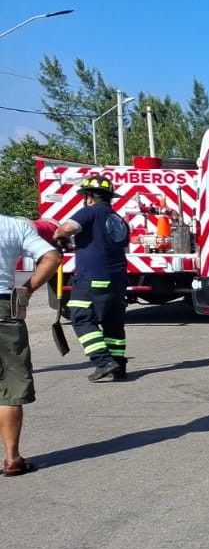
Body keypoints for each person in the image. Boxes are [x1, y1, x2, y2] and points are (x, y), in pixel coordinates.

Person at [0, 214, 63, 474]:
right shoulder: (13, 225)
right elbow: (52, 257)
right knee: (9, 386)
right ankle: (12, 458)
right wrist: (26, 289)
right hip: (4, 309)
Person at [53, 174, 130, 382]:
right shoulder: (118, 219)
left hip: (92, 278)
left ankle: (103, 362)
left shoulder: (89, 212)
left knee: (81, 318)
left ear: (88, 197)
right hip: (118, 279)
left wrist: (59, 237)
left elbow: (66, 229)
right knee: (113, 323)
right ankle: (118, 366)